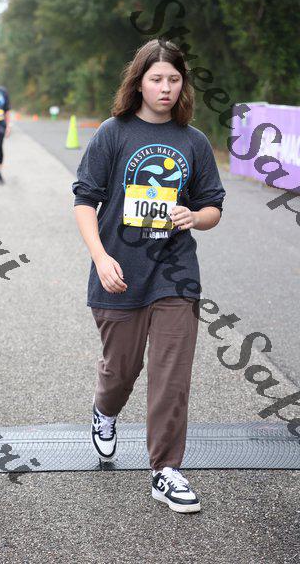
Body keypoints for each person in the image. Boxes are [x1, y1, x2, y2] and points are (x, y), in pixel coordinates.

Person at [71, 38, 226, 514]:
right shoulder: (113, 134)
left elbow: (213, 207)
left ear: (183, 85)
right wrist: (101, 258)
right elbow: (84, 200)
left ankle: (166, 470)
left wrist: (193, 217)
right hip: (118, 272)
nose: (165, 88)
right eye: (156, 79)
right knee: (122, 371)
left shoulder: (193, 141)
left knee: (171, 374)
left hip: (175, 275)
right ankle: (105, 410)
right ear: (138, 83)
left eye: (174, 79)